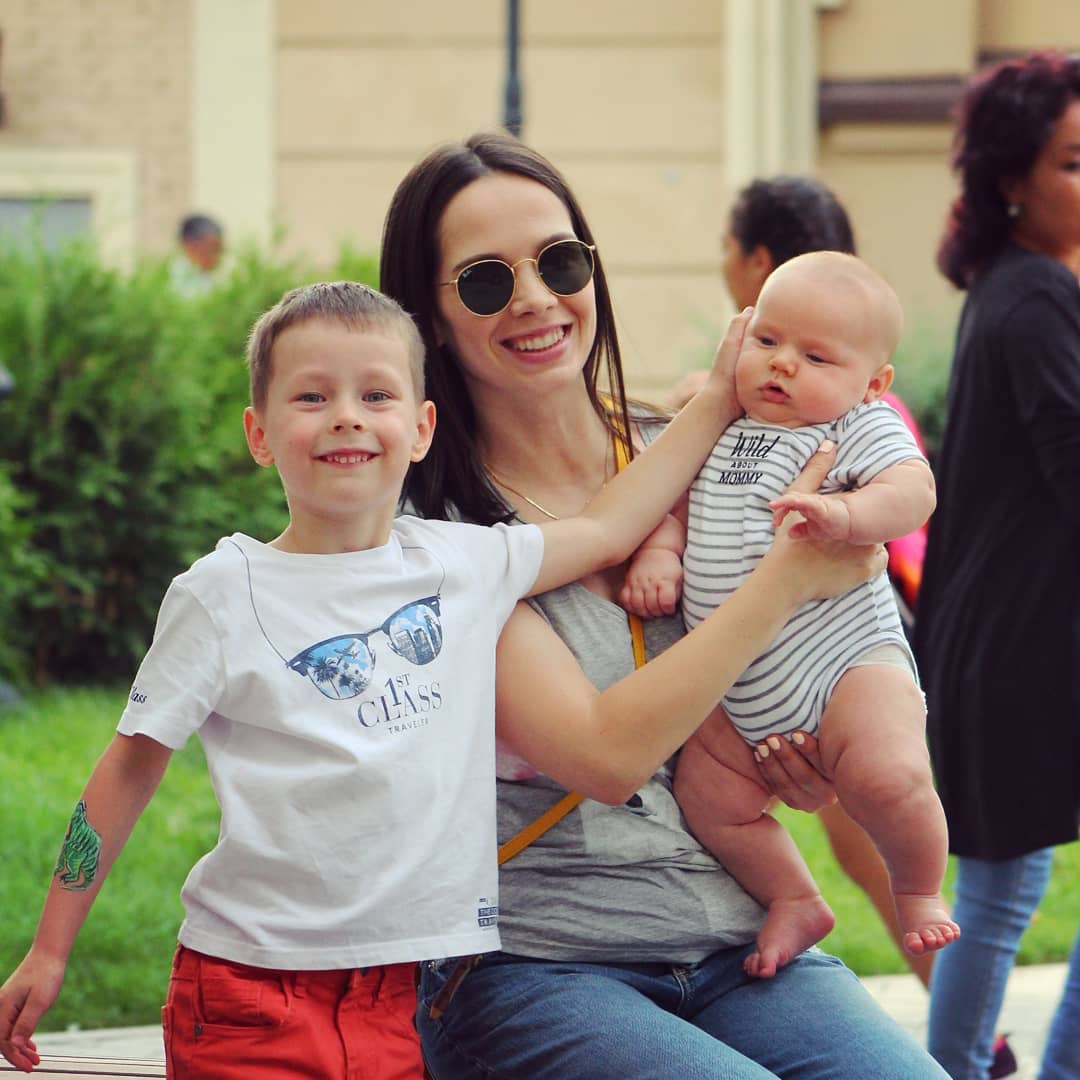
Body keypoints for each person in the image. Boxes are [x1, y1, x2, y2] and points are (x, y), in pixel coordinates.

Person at [0, 279, 813, 1078]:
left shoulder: (461, 563)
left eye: (376, 394)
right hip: (249, 987)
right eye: (311, 396)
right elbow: (129, 767)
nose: (346, 415)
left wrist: (716, 399)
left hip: (405, 995)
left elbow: (608, 527)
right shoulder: (221, 593)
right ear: (258, 433)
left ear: (421, 428)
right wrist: (49, 949)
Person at [380, 131, 949, 1078]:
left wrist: (807, 750)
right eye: (484, 280)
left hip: (733, 938)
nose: (536, 298)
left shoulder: (703, 444)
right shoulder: (429, 532)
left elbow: (839, 614)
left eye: (560, 262)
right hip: (537, 961)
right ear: (429, 318)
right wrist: (783, 581)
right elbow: (605, 756)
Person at [623, 250, 955, 978]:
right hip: (737, 693)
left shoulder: (856, 425)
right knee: (710, 802)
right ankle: (794, 896)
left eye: (816, 356)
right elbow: (673, 503)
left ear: (873, 383)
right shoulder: (719, 424)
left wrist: (847, 514)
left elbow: (915, 490)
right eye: (767, 340)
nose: (782, 364)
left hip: (845, 667)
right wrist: (661, 554)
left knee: (889, 777)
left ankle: (917, 888)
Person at [914, 50, 1080, 1080]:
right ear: (1013, 178)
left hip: (1001, 642)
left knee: (996, 892)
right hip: (1019, 652)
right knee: (1000, 893)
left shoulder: (1014, 289)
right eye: (1074, 161)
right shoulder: (1034, 298)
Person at [168, 213, 224, 297]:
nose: (219, 256)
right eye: (214, 249)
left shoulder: (206, 278)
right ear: (191, 246)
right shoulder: (174, 278)